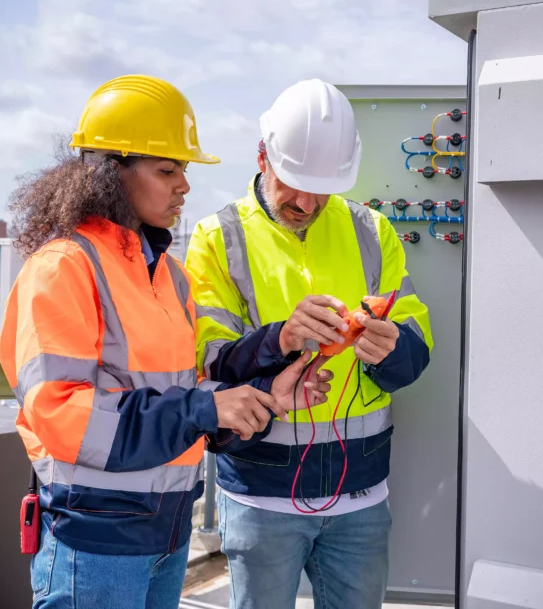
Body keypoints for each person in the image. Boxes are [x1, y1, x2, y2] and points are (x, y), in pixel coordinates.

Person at [0, 74, 331, 609]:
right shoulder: (62, 267)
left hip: (168, 536)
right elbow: (64, 418)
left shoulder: (169, 277)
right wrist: (205, 406)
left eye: (184, 170)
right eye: (167, 169)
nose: (184, 186)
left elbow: (190, 395)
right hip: (95, 545)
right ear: (110, 172)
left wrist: (268, 400)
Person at [185, 78, 434, 609]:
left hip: (360, 494)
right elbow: (207, 364)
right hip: (261, 495)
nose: (306, 201)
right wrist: (282, 338)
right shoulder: (216, 237)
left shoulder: (373, 230)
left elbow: (416, 346)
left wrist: (392, 351)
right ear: (261, 156)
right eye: (294, 182)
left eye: (322, 186)